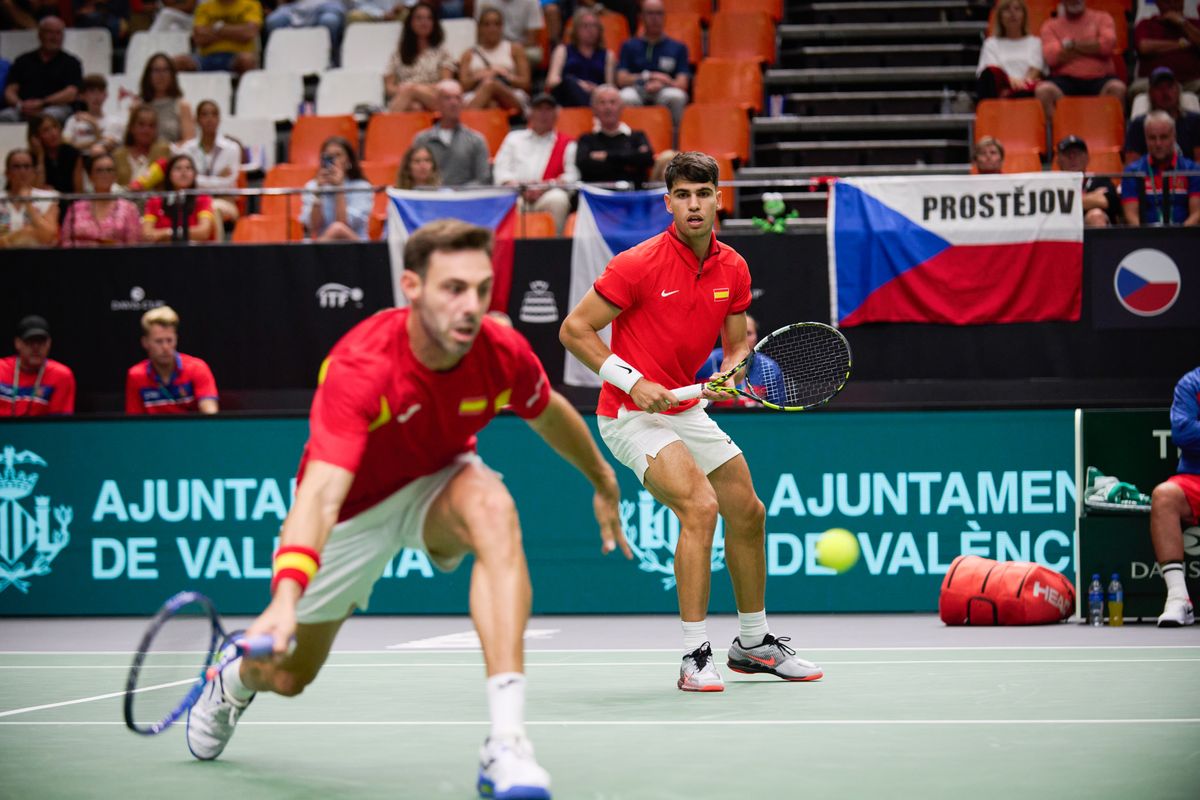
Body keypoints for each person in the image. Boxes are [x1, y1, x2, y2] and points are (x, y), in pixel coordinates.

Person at [183, 219, 627, 800]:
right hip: (351, 512)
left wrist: (603, 480)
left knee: (495, 508)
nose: (470, 306)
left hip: (438, 482)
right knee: (289, 676)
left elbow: (549, 412)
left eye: (481, 288)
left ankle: (507, 742)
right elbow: (320, 493)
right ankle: (234, 678)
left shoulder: (499, 351)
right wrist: (286, 598)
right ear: (411, 286)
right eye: (452, 288)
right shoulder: (363, 366)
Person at [559, 151, 824, 692]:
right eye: (683, 195)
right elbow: (574, 330)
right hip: (630, 415)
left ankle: (753, 644)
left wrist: (729, 373)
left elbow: (733, 347)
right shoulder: (636, 264)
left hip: (686, 408)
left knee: (747, 511)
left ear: (718, 198)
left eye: (703, 194)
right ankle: (694, 655)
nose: (694, 205)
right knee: (700, 507)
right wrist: (635, 381)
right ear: (668, 203)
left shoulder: (734, 267)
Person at [1150, 366, 1200, 627]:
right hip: (1196, 479)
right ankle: (1179, 598)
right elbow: (1183, 432)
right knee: (1164, 496)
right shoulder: (1191, 383)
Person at [493, 92, 578, 233]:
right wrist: (520, 188)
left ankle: (555, 247)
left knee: (558, 199)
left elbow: (572, 176)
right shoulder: (513, 139)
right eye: (539, 109)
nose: (543, 114)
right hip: (517, 193)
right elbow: (501, 171)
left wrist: (544, 187)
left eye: (548, 109)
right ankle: (513, 249)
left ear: (556, 113)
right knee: (509, 202)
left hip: (547, 194)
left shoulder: (568, 143)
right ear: (530, 113)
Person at [1035, 0, 1125, 120]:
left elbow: (1107, 46)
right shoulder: (1050, 26)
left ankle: (1108, 135)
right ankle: (1058, 136)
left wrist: (1070, 45)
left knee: (1117, 88)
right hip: (1064, 81)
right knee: (1044, 91)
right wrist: (1093, 47)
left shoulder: (1103, 18)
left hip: (1101, 79)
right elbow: (1052, 57)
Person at [125, 305, 219, 415]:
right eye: (159, 341)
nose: (165, 347)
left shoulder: (197, 368)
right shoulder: (135, 375)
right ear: (145, 342)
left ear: (176, 339)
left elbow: (210, 414)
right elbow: (134, 423)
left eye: (169, 340)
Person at [616, 0, 690, 130]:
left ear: (664, 17)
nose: (655, 18)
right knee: (624, 96)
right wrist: (648, 76)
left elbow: (682, 83)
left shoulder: (678, 47)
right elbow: (621, 79)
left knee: (676, 96)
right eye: (650, 13)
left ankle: (674, 140)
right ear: (641, 17)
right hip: (637, 89)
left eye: (659, 13)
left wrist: (663, 82)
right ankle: (630, 139)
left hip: (664, 90)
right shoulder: (629, 46)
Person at [1121, 110, 1200, 226]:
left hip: (1185, 238)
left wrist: (1177, 238)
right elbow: (1131, 216)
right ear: (1145, 139)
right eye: (1152, 138)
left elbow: (1197, 214)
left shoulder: (1192, 170)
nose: (1158, 144)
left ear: (1174, 136)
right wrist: (1150, 239)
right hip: (1145, 240)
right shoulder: (1133, 172)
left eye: (1164, 137)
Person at [0, 16, 81, 124]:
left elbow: (71, 93)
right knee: (5, 116)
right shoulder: (22, 60)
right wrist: (20, 105)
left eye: (58, 33)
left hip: (55, 107)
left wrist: (43, 103)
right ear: (40, 34)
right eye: (50, 32)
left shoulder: (71, 62)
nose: (54, 37)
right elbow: (10, 90)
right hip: (23, 108)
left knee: (48, 117)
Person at [412, 80, 492, 186]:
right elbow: (413, 178)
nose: (454, 103)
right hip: (430, 198)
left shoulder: (476, 140)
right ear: (437, 103)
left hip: (465, 199)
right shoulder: (422, 139)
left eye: (458, 98)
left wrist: (455, 194)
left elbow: (483, 179)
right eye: (447, 98)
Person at [695, 313, 783, 408]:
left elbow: (778, 411)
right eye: (736, 332)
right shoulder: (705, 363)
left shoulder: (770, 368)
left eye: (748, 333)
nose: (743, 339)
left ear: (756, 336)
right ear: (724, 335)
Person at [384, 1, 456, 113]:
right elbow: (389, 88)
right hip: (406, 98)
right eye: (419, 18)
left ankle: (386, 128)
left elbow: (445, 86)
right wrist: (406, 90)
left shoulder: (443, 53)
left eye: (429, 18)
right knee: (414, 107)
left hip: (434, 99)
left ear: (434, 23)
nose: (424, 22)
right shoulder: (398, 53)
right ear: (410, 22)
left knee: (411, 94)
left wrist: (415, 89)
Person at [575, 84, 654, 185]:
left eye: (613, 102)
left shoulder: (638, 136)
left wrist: (606, 156)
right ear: (594, 109)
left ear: (622, 107)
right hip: (596, 196)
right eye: (602, 103)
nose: (608, 107)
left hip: (634, 195)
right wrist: (630, 160)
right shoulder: (586, 139)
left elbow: (647, 159)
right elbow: (584, 166)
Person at [179, 100, 243, 224]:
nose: (210, 119)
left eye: (214, 114)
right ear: (197, 120)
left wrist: (197, 179)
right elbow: (185, 181)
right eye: (205, 114)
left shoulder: (232, 148)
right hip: (193, 201)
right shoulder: (187, 149)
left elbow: (229, 182)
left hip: (225, 201)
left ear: (219, 119)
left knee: (212, 208)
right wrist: (217, 178)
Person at [298, 136, 373, 241]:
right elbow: (312, 228)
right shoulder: (312, 186)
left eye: (338, 155)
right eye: (329, 156)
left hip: (354, 246)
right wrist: (318, 193)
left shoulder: (362, 187)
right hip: (325, 247)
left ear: (349, 161)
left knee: (337, 229)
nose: (334, 160)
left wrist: (339, 187)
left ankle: (306, 256)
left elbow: (343, 225)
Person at [459, 5, 532, 114]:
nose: (492, 28)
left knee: (491, 85)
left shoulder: (515, 49)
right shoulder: (469, 53)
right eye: (487, 24)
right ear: (479, 28)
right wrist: (479, 76)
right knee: (491, 104)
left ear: (502, 27)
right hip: (476, 94)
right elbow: (463, 85)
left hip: (510, 93)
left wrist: (505, 76)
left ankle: (464, 120)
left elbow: (526, 83)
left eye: (496, 24)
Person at [60, 152, 142, 246]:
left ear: (115, 176)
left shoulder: (129, 208)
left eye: (109, 170)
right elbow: (66, 242)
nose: (105, 174)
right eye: (99, 170)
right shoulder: (75, 208)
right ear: (90, 176)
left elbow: (134, 245)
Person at [0, 315, 75, 416]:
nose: (36, 348)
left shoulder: (62, 376)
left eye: (41, 341)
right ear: (17, 343)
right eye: (30, 341)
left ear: (49, 343)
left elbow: (59, 427)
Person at [1125, 67, 1200, 164]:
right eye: (1159, 88)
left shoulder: (1195, 121)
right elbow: (1131, 169)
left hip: (1187, 178)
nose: (1165, 93)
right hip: (1148, 178)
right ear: (1150, 94)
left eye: (1169, 87)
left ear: (1178, 90)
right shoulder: (1138, 125)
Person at [545, 6, 614, 108]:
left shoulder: (608, 55)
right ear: (576, 29)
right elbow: (551, 81)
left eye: (594, 26)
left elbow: (610, 87)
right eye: (585, 26)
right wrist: (579, 85)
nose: (590, 30)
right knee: (569, 80)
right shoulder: (563, 50)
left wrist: (595, 90)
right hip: (567, 98)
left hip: (596, 98)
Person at [976, 0, 1045, 100]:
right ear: (1000, 16)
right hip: (999, 91)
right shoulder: (991, 43)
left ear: (1024, 15)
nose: (1013, 13)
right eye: (1007, 9)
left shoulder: (1035, 42)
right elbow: (992, 71)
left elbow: (1035, 70)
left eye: (1017, 9)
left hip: (1027, 91)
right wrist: (1010, 80)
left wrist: (1020, 85)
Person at [141, 154, 218, 242]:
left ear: (194, 174)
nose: (183, 172)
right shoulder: (155, 201)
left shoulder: (203, 199)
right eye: (178, 168)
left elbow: (204, 232)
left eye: (188, 168)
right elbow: (147, 235)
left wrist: (168, 233)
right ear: (168, 174)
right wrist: (176, 233)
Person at [1132, 0, 1200, 98]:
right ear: (1158, 4)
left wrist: (1183, 23)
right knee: (1138, 91)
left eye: (1176, 1)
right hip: (1152, 83)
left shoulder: (1194, 24)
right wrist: (1182, 43)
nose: (1173, 5)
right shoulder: (1146, 24)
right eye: (1167, 2)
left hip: (1191, 82)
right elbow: (1144, 47)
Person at [178, 0, 262, 75]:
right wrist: (235, 32)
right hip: (206, 57)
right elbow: (199, 38)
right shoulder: (204, 7)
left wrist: (216, 28)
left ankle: (243, 91)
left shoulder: (251, 5)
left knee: (246, 60)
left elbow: (249, 32)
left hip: (236, 57)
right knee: (179, 62)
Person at [1056, 135, 1119, 227]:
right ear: (1058, 160)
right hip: (1062, 228)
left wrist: (1062, 202)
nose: (1072, 157)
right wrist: (1091, 198)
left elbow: (1105, 201)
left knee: (1096, 216)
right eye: (1067, 154)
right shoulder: (1052, 183)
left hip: (1090, 230)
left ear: (1087, 158)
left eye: (1077, 153)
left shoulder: (1099, 180)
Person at [0, 148, 58, 248]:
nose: (22, 171)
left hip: (37, 258)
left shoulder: (48, 197)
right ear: (7, 173)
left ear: (34, 172)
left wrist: (28, 203)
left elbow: (48, 235)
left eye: (27, 166)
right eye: (16, 167)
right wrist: (27, 232)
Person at [265, 0, 346, 67]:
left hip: (327, 4)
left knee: (329, 20)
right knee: (273, 21)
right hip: (294, 6)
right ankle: (281, 62)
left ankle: (328, 60)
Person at [138, 52, 195, 145]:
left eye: (165, 70)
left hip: (173, 155)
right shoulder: (138, 106)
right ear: (148, 75)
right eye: (156, 70)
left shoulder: (182, 106)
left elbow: (189, 142)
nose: (161, 75)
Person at [62, 74, 127, 153]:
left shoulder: (115, 122)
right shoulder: (73, 120)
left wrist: (93, 123)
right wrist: (97, 140)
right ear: (83, 96)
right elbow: (67, 147)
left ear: (105, 95)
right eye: (92, 91)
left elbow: (106, 147)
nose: (97, 96)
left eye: (100, 91)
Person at [112, 105, 173, 187]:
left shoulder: (163, 151)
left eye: (151, 126)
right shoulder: (118, 155)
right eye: (141, 124)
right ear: (131, 127)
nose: (146, 130)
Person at [474, 0, 545, 66]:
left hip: (521, 46)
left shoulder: (531, 1)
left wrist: (507, 49)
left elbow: (531, 39)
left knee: (533, 54)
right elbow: (480, 34)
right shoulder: (483, 1)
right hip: (490, 45)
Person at [28, 112, 82, 196]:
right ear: (36, 137)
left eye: (55, 127)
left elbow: (79, 191)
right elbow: (36, 191)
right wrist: (40, 156)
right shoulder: (30, 157)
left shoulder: (72, 153)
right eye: (46, 130)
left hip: (69, 203)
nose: (53, 133)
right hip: (43, 204)